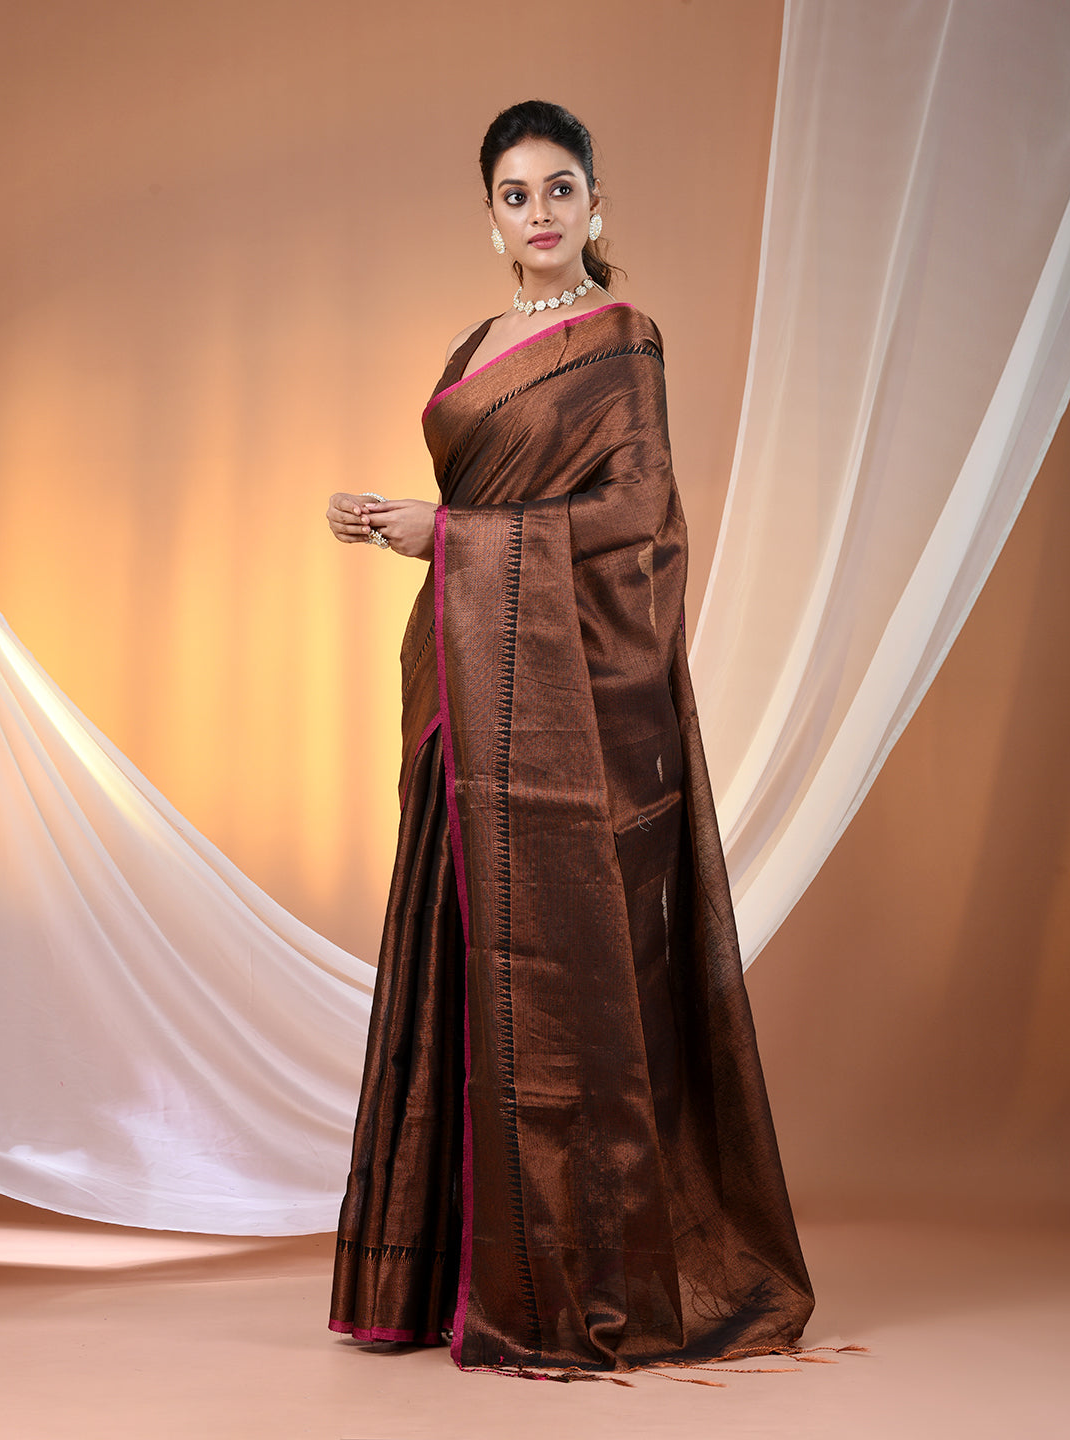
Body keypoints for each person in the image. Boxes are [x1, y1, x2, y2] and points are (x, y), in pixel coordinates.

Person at [325, 99, 814, 1380]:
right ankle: (442, 1274)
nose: (538, 214)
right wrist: (399, 522)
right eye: (514, 195)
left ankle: (574, 1274)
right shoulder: (476, 344)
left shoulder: (624, 342)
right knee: (459, 947)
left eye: (559, 189)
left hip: (574, 695)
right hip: (470, 676)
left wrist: (446, 536)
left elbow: (636, 509)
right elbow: (479, 497)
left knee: (563, 972)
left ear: (597, 203)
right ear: (488, 218)